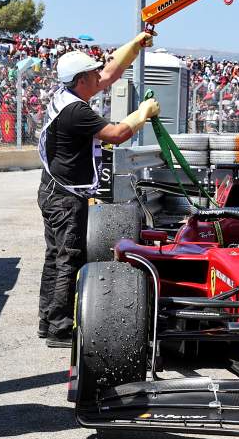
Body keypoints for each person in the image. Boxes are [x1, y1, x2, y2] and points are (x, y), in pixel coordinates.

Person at [38, 31, 159, 347]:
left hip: (56, 190)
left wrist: (132, 46)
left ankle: (48, 319)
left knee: (56, 256)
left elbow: (108, 73)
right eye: (91, 73)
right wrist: (142, 114)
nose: (98, 75)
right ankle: (59, 328)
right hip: (64, 195)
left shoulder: (69, 95)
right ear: (80, 80)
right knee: (69, 256)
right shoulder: (76, 111)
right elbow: (117, 134)